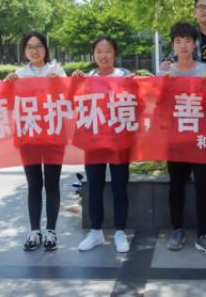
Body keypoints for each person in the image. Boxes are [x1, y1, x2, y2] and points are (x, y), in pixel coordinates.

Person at [158, 22, 206, 257]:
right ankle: (177, 229)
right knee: (176, 186)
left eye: (187, 41)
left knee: (204, 186)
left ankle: (204, 234)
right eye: (178, 41)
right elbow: (158, 105)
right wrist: (165, 85)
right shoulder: (164, 72)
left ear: (195, 44)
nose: (183, 46)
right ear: (173, 45)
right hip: (175, 140)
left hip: (201, 139)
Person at [4, 31, 66, 252]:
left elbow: (67, 98)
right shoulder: (19, 75)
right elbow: (8, 103)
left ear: (45, 49)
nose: (35, 51)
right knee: (33, 184)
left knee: (52, 182)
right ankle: (34, 231)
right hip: (28, 134)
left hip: (53, 134)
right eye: (30, 47)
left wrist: (60, 84)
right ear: (24, 51)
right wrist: (8, 85)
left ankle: (51, 231)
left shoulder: (56, 71)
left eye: (38, 46)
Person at [74, 37, 132, 253]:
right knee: (94, 187)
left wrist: (134, 86)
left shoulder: (124, 76)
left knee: (120, 188)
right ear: (94, 54)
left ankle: (120, 232)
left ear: (115, 53)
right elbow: (73, 103)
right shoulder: (87, 78)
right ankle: (95, 232)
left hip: (118, 140)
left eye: (108, 51)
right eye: (98, 51)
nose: (103, 55)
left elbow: (139, 104)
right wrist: (75, 84)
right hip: (94, 141)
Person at [161, 0, 206, 69]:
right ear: (195, 11)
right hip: (194, 76)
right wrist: (167, 63)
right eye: (201, 7)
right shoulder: (188, 34)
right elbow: (172, 58)